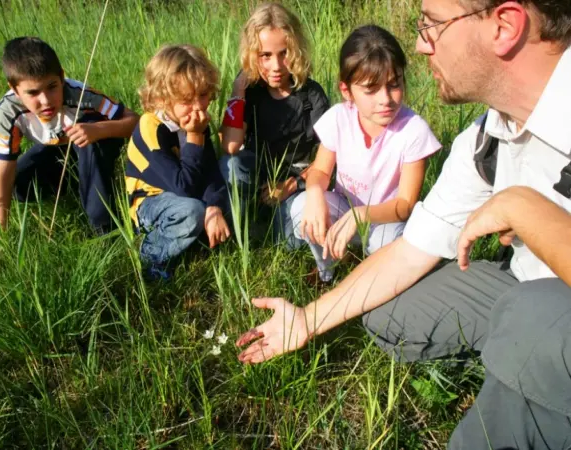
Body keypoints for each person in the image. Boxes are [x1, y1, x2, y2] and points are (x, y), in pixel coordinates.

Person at [236, 1, 571, 447]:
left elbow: (403, 205)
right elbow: (412, 249)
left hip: (546, 303)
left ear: (504, 26)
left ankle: (526, 372)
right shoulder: (486, 137)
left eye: (432, 23)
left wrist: (525, 209)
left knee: (535, 317)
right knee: (387, 315)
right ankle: (523, 352)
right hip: (520, 286)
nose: (419, 43)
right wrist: (308, 319)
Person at [290, 25, 441, 283]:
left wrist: (362, 214)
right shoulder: (340, 117)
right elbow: (321, 171)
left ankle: (370, 280)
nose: (386, 99)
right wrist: (314, 192)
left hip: (384, 221)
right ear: (347, 91)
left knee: (391, 244)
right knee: (301, 207)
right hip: (342, 211)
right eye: (371, 89)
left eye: (394, 84)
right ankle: (327, 269)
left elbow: (404, 205)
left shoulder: (414, 131)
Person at [0, 37, 138, 257]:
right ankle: (77, 188)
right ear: (15, 89)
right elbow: (2, 173)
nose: (46, 100)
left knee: (90, 156)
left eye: (52, 87)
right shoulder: (8, 112)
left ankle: (106, 231)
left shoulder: (79, 95)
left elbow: (136, 122)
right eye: (33, 93)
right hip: (58, 148)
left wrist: (99, 130)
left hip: (94, 141)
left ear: (61, 76)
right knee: (19, 184)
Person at [220, 2, 329, 244]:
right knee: (231, 164)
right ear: (252, 55)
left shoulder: (311, 95)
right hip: (256, 177)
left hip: (294, 182)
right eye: (265, 56)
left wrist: (291, 185)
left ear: (296, 50)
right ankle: (240, 227)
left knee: (291, 235)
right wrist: (238, 91)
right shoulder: (251, 92)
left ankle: (270, 232)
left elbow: (330, 156)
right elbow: (229, 145)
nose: (276, 66)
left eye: (284, 54)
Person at [125, 44, 230, 280]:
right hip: (150, 203)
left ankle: (194, 243)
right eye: (185, 100)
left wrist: (215, 206)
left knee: (223, 197)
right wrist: (194, 136)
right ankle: (152, 255)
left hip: (182, 196)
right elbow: (183, 186)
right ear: (162, 99)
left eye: (203, 95)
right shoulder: (150, 128)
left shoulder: (193, 121)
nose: (198, 107)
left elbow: (210, 169)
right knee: (192, 211)